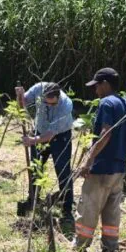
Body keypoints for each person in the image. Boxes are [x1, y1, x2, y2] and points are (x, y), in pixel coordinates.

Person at [75, 68, 126, 252]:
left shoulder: (106, 103)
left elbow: (105, 134)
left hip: (101, 167)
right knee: (112, 211)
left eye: (96, 86)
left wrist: (88, 161)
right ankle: (109, 250)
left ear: (105, 84)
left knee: (89, 207)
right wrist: (121, 146)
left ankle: (80, 248)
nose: (95, 91)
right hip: (119, 168)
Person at [15, 82, 75, 224]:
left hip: (60, 136)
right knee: (36, 169)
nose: (49, 106)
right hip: (40, 131)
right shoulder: (38, 88)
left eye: (52, 104)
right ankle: (33, 201)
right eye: (45, 103)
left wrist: (31, 140)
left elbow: (50, 135)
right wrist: (19, 96)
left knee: (63, 171)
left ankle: (67, 210)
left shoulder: (66, 105)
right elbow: (22, 104)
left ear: (58, 97)